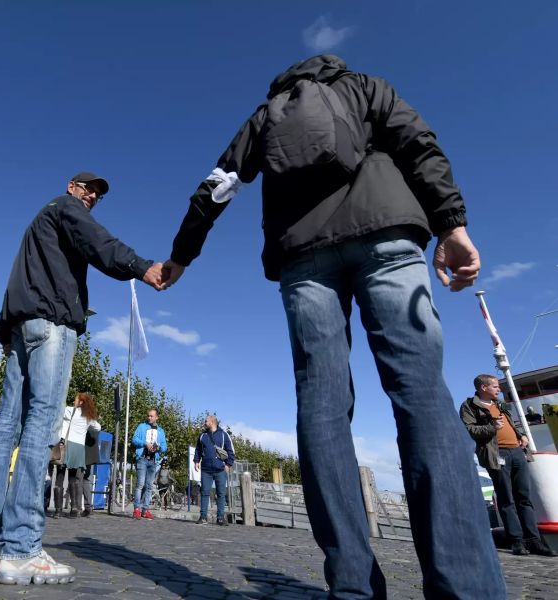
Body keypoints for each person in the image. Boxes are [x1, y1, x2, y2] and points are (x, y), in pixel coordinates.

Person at [161, 54, 505, 597]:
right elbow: (419, 144)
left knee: (321, 405)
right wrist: (451, 223)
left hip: (302, 259)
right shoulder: (366, 87)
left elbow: (217, 186)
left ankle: (352, 586)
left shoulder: (264, 116)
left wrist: (182, 255)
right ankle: (467, 588)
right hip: (389, 236)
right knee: (421, 395)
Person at [0, 171, 163, 584]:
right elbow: (100, 244)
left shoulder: (36, 227)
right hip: (51, 325)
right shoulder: (65, 208)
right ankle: (19, 550)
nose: (92, 195)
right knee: (39, 427)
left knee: (3, 431)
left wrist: (6, 330)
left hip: (20, 327)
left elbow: (19, 280)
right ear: (71, 187)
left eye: (98, 193)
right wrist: (144, 269)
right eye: (88, 187)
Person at [460, 374, 555, 557]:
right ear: (483, 388)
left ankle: (534, 541)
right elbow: (470, 430)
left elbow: (510, 424)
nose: (498, 389)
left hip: (517, 453)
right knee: (506, 499)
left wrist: (521, 436)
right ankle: (517, 541)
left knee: (524, 498)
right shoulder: (469, 406)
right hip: (498, 455)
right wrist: (491, 427)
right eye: (495, 386)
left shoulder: (500, 404)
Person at [53, 393, 101, 519]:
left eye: (76, 400)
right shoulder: (88, 417)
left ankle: (58, 511)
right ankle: (74, 509)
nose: (74, 401)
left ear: (81, 402)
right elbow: (98, 427)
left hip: (66, 445)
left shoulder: (70, 411)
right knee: (74, 478)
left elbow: (58, 410)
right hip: (78, 448)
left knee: (59, 476)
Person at [193, 415, 235, 525]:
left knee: (221, 493)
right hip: (206, 469)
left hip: (220, 469)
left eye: (206, 421)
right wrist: (196, 461)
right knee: (204, 492)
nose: (204, 422)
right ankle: (203, 517)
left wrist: (228, 464)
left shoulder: (224, 435)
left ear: (212, 422)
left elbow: (231, 451)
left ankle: (220, 518)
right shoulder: (202, 435)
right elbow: (198, 449)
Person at [131, 408, 167, 521]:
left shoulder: (161, 431)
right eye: (148, 416)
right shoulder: (141, 427)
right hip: (142, 458)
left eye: (151, 416)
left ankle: (145, 510)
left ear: (157, 417)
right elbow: (134, 440)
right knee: (140, 484)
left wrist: (159, 447)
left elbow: (165, 447)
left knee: (149, 486)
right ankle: (137, 509)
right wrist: (145, 443)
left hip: (153, 461)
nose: (149, 417)